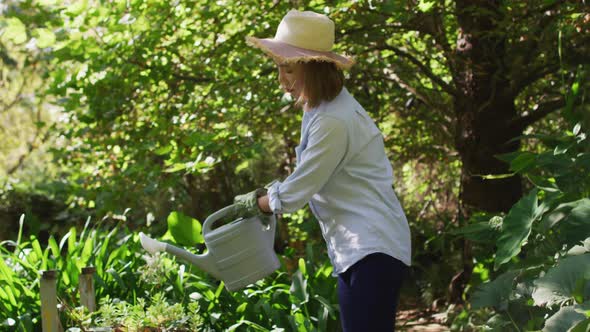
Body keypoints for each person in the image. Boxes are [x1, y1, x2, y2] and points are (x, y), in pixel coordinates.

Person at [233, 9, 412, 332]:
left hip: (372, 248)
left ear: (313, 69)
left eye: (288, 70)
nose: (281, 80)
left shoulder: (333, 119)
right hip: (357, 249)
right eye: (278, 69)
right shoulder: (320, 108)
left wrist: (258, 203)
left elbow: (301, 187)